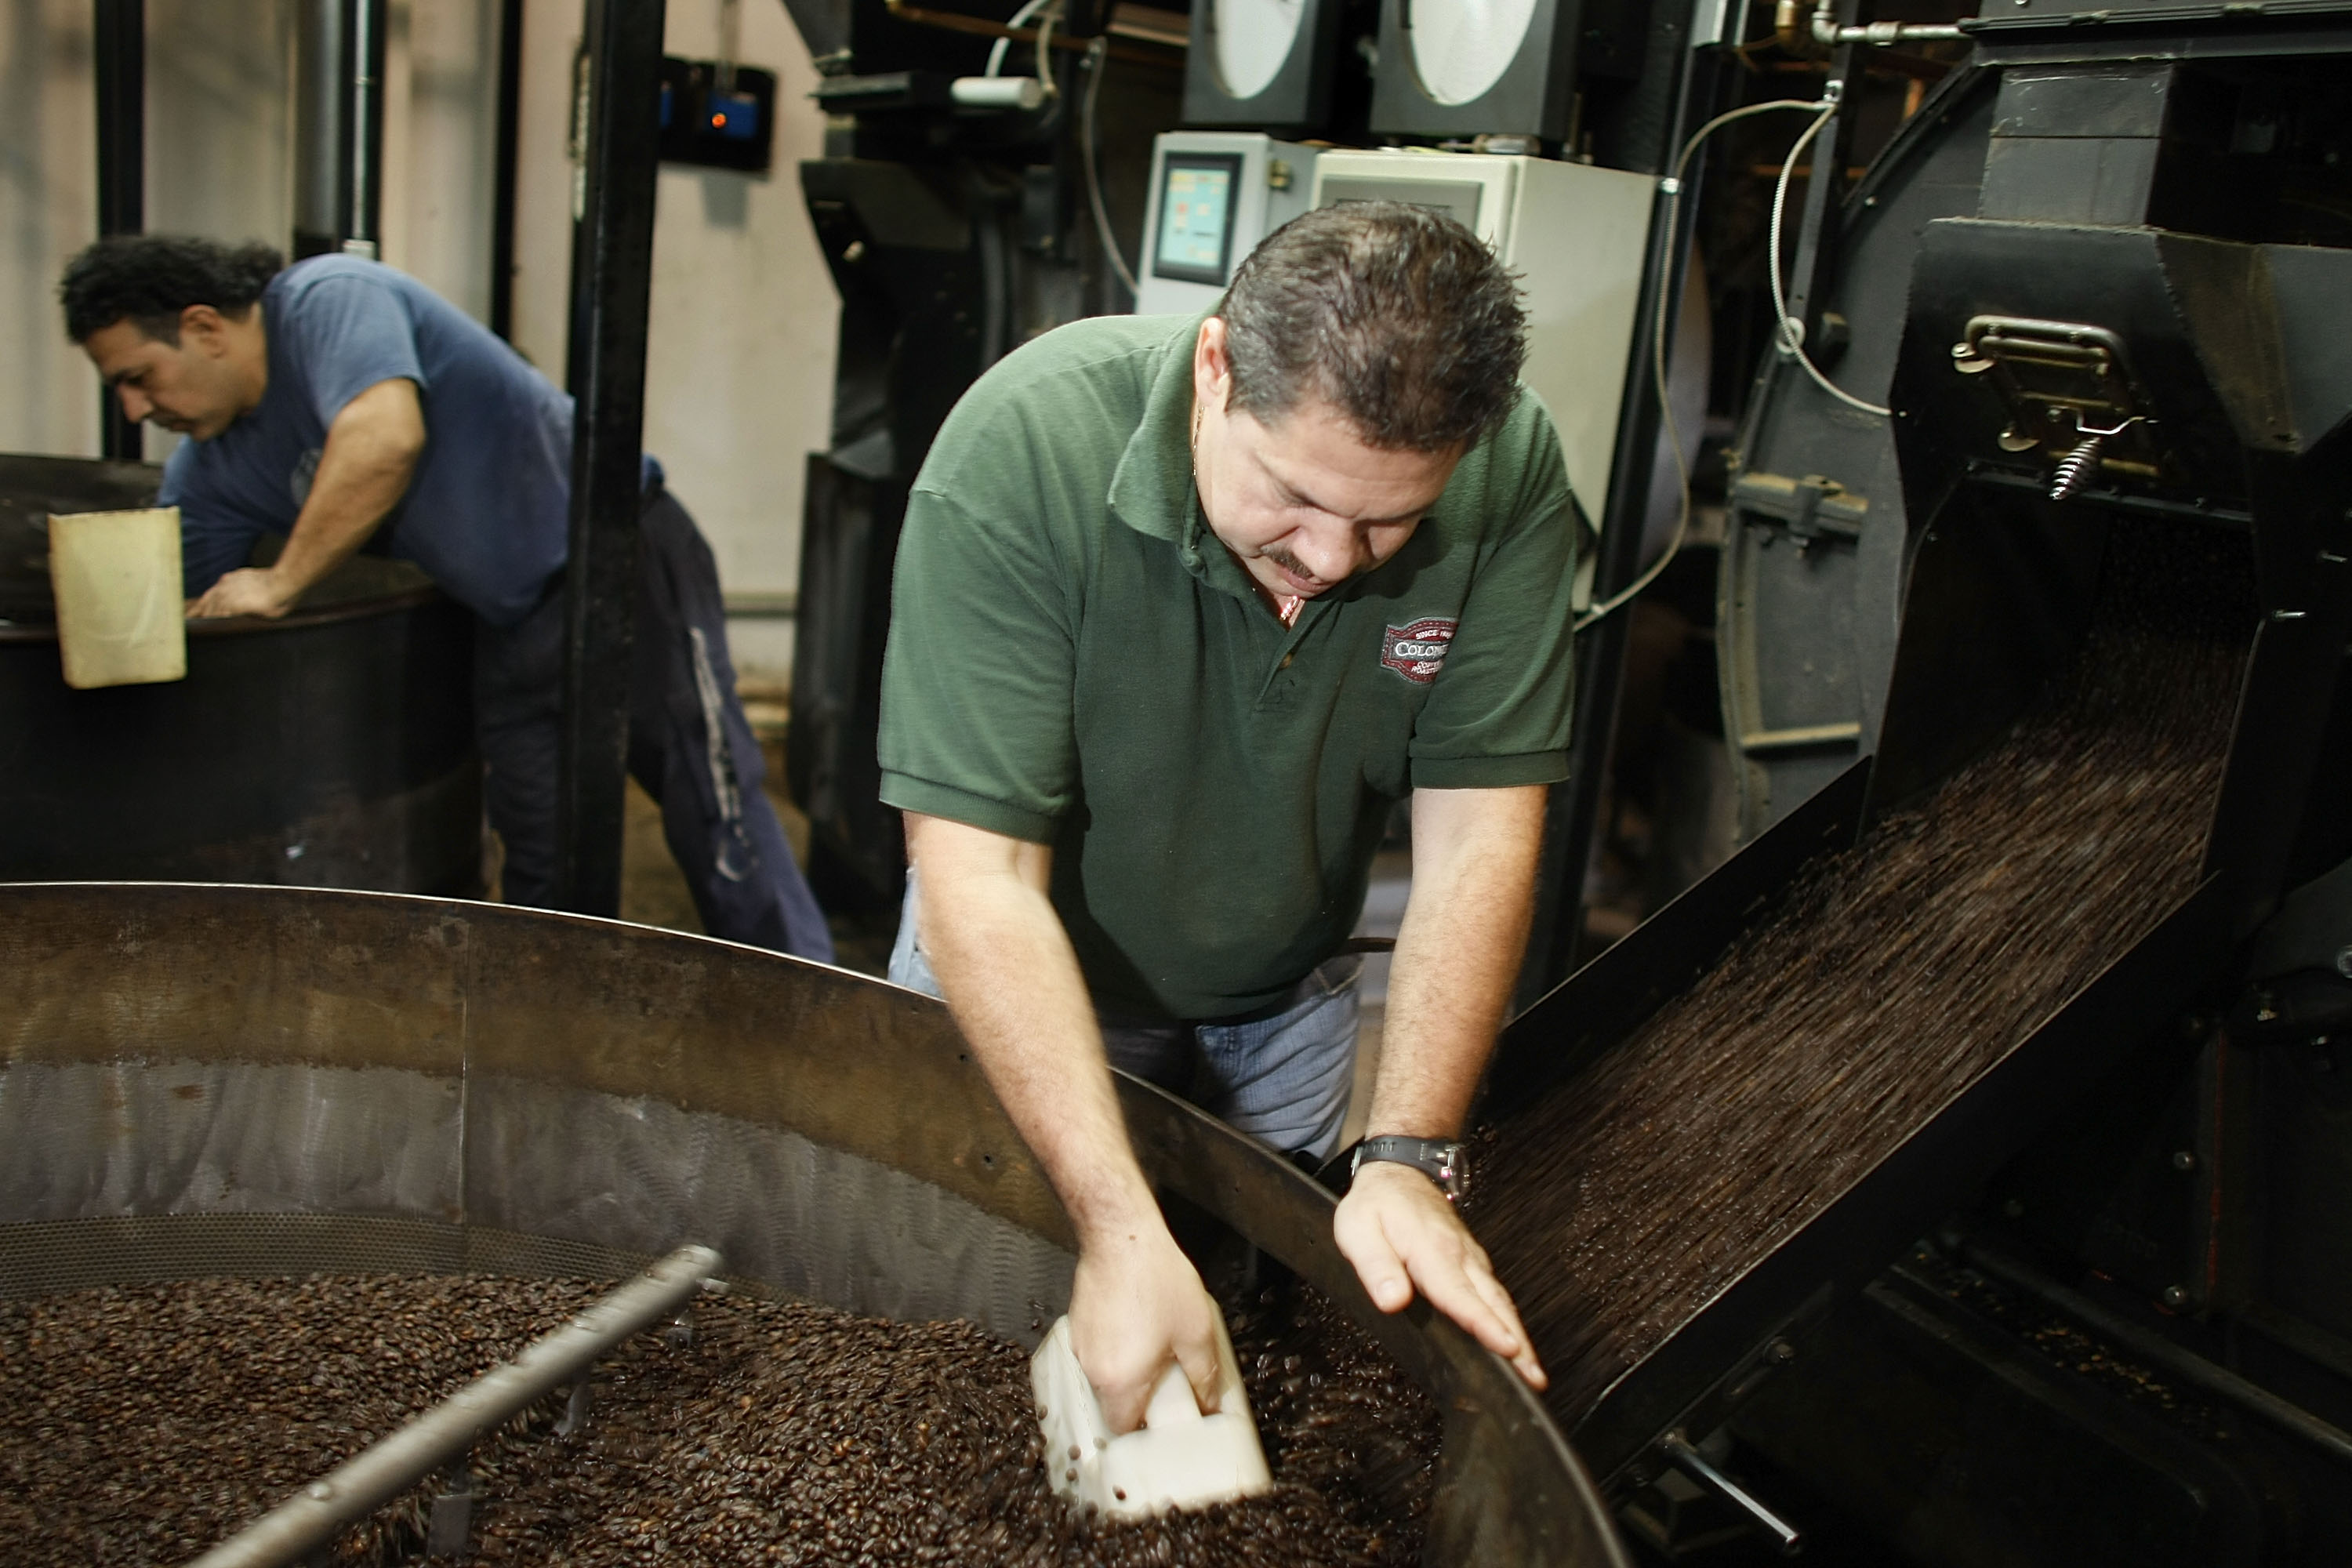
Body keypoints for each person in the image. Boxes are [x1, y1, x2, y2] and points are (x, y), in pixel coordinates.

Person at [877, 203, 1574, 1430]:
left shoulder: (1512, 469)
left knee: (1244, 1351)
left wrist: (1408, 1157)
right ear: (1214, 370)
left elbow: (1479, 834)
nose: (1331, 558)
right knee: (961, 1341)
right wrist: (1112, 1221)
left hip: (1284, 1001)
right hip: (1042, 995)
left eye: (1390, 521)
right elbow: (976, 873)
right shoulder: (1027, 447)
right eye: (1294, 497)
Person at [59, 235, 832, 962]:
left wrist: (281, 581)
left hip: (619, 553)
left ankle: (810, 1018)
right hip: (506, 614)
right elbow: (157, 610)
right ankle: (555, 1031)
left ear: (203, 328)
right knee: (539, 844)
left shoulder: (328, 298)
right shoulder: (213, 467)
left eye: (139, 377)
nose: (133, 410)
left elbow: (385, 438)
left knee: (713, 803)